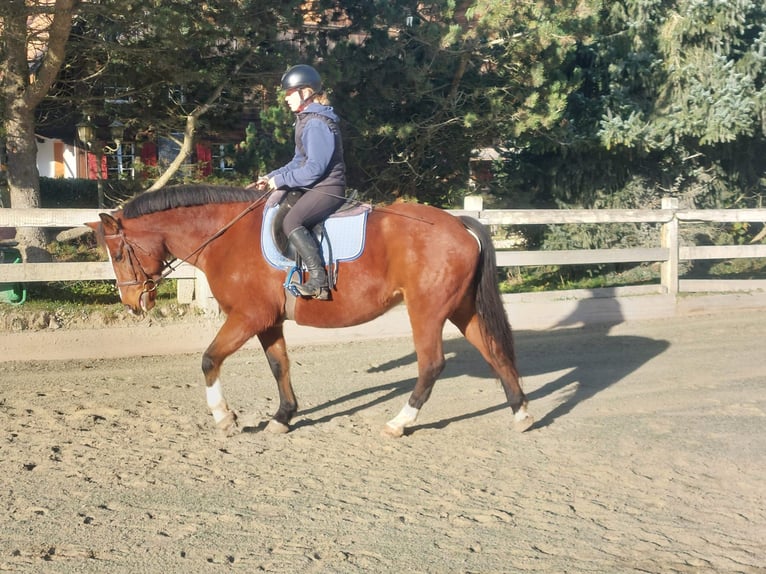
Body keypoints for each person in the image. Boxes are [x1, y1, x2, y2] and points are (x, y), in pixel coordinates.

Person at [254, 64, 346, 300]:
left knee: (292, 220)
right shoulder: (306, 120)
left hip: (328, 188)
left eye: (289, 93)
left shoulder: (316, 123)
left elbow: (314, 169)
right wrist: (272, 177)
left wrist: (282, 180)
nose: (285, 98)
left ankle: (318, 281)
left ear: (306, 92)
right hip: (316, 186)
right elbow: (298, 161)